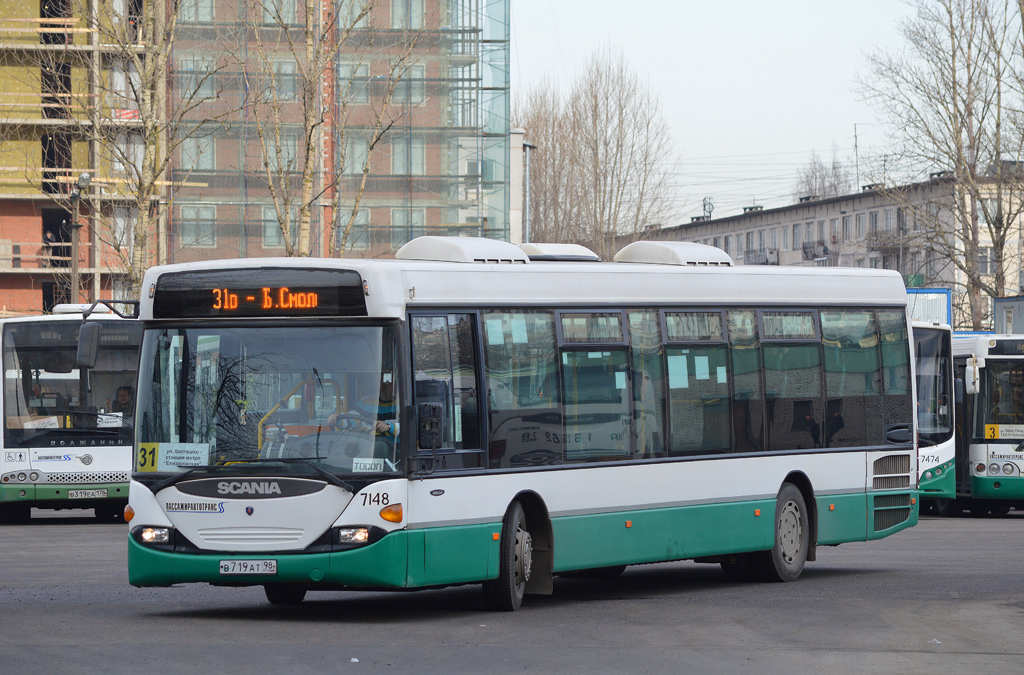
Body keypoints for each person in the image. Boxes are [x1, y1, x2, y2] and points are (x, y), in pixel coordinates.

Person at [326, 372, 398, 439]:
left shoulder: (402, 403)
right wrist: (336, 419)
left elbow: (407, 428)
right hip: (367, 445)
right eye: (383, 383)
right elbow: (351, 420)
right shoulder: (366, 401)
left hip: (393, 448)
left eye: (390, 383)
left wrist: (388, 427)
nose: (386, 386)